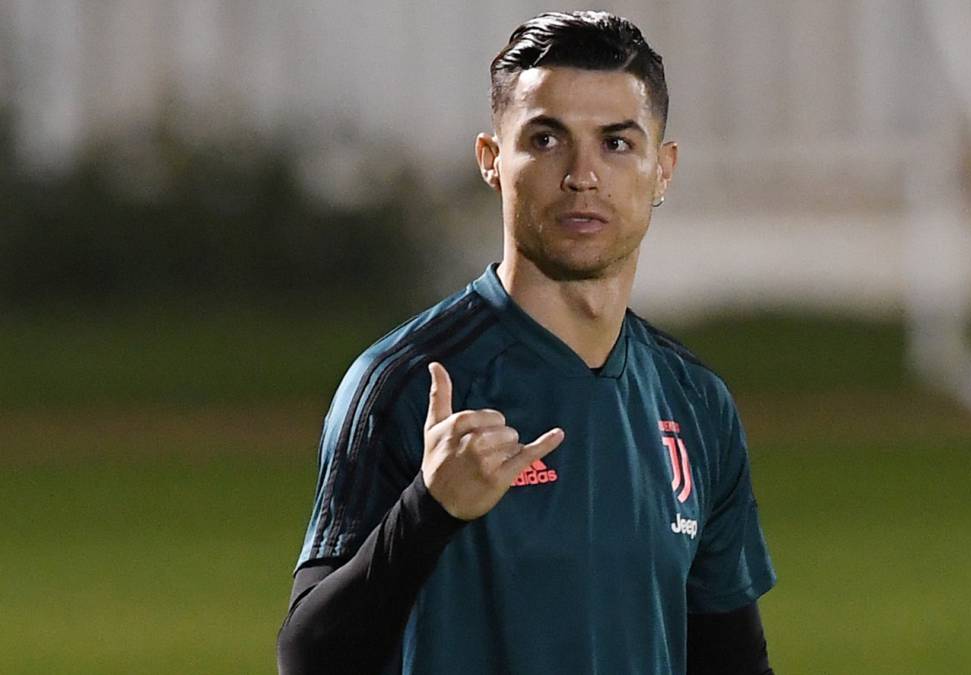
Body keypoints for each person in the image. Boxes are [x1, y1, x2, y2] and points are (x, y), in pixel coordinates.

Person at [276, 10, 776, 674]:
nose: (582, 175)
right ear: (492, 160)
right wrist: (430, 509)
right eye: (545, 140)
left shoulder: (695, 403)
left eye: (616, 143)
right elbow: (308, 658)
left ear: (663, 169)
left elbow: (732, 660)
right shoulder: (405, 383)